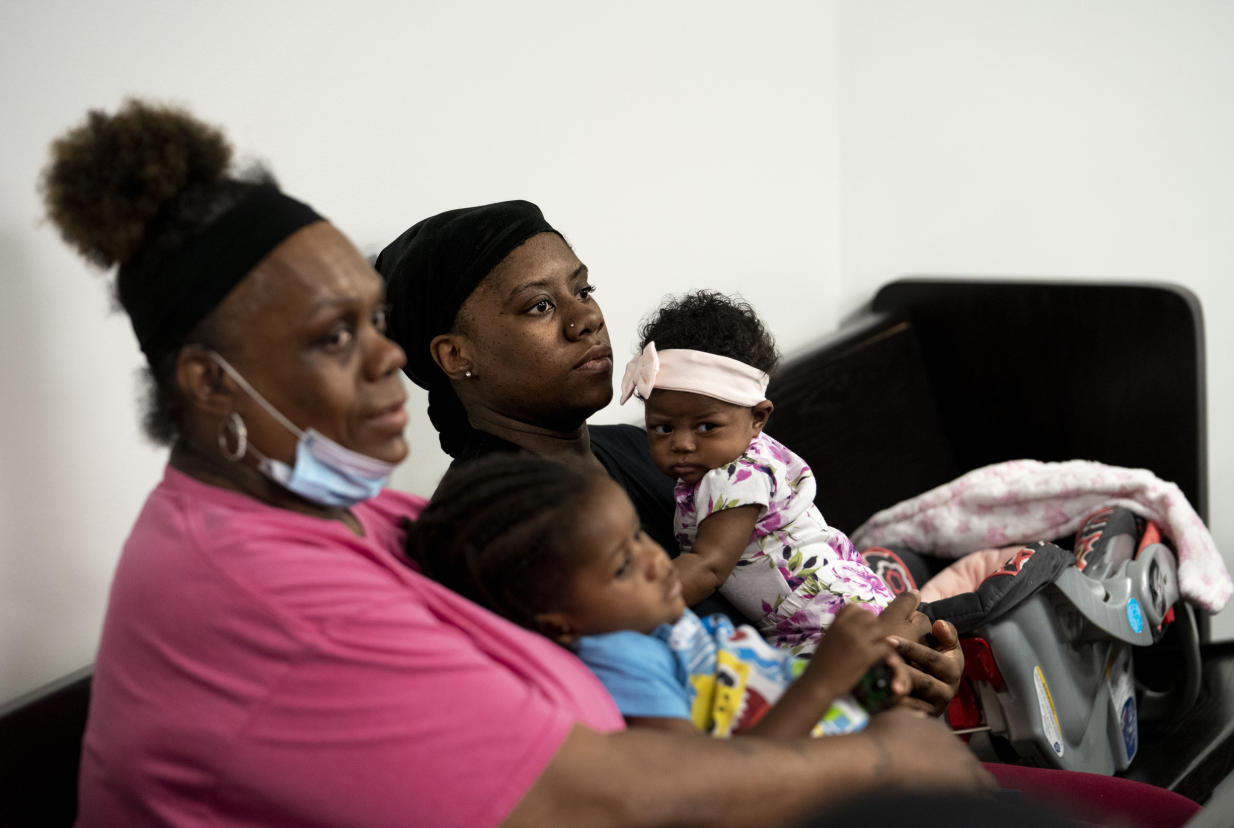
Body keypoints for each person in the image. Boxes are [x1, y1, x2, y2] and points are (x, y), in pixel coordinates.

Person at [48, 101, 991, 826]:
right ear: (212, 386)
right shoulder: (257, 594)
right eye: (337, 336)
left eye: (374, 324)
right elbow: (614, 797)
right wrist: (881, 757)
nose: (386, 358)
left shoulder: (363, 522)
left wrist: (872, 688)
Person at [375, 200, 967, 715]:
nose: (587, 319)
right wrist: (861, 688)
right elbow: (644, 739)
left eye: (583, 290)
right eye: (539, 307)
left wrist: (912, 665)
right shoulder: (495, 532)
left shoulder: (654, 452)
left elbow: (793, 594)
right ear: (455, 355)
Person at [408, 454, 912, 739]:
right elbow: (710, 784)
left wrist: (862, 682)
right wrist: (826, 680)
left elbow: (769, 683)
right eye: (623, 565)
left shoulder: (661, 625)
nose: (655, 558)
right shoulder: (621, 665)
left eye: (637, 536)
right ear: (560, 623)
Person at [620, 290, 895, 654]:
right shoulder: (725, 461)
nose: (682, 444)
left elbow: (707, 567)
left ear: (757, 418)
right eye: (663, 428)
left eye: (705, 427)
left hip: (826, 620)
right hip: (815, 614)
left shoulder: (739, 477)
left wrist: (627, 610)